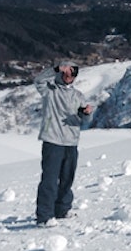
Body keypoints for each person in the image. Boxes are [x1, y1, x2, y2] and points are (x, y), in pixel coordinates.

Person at [34, 63, 93, 226]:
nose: (69, 75)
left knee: (67, 179)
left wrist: (86, 113)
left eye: (72, 73)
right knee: (50, 180)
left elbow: (86, 120)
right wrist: (55, 69)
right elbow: (38, 80)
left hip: (71, 142)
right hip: (52, 140)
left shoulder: (78, 96)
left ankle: (62, 210)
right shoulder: (50, 90)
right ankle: (44, 216)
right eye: (66, 72)